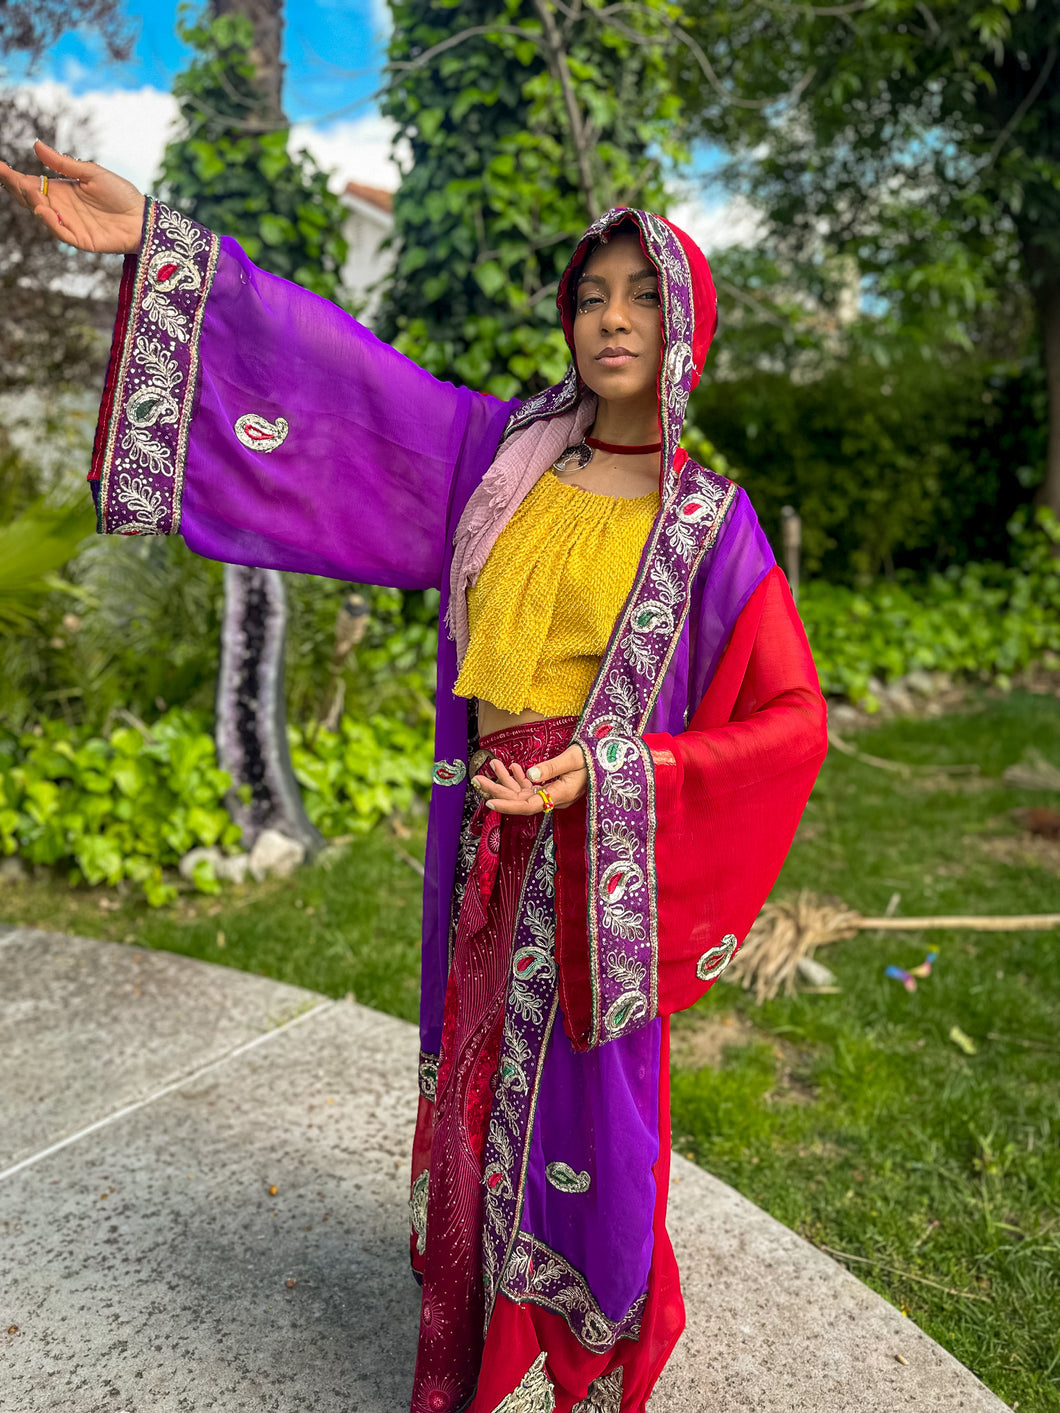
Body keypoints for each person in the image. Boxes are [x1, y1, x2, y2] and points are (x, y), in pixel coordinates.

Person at [0, 142, 828, 1413]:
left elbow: (790, 720)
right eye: (593, 293)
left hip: (592, 844)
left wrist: (611, 773)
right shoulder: (503, 456)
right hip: (481, 828)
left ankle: (590, 1338)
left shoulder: (710, 522)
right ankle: (479, 1313)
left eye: (643, 295)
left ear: (686, 324)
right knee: (473, 1072)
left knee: (585, 1099)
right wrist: (167, 248)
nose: (613, 318)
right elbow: (347, 383)